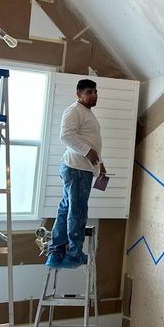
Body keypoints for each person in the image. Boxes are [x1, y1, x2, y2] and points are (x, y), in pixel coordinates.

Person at [45, 79, 106, 269]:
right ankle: (73, 254)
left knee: (66, 208)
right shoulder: (74, 110)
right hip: (77, 168)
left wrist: (99, 165)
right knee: (77, 210)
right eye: (89, 92)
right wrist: (88, 151)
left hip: (79, 167)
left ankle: (56, 252)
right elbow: (66, 135)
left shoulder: (85, 113)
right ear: (78, 94)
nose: (93, 95)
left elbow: (91, 143)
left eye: (95, 92)